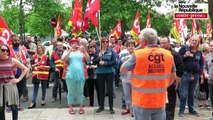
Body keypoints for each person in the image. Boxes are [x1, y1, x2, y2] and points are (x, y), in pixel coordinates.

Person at [120, 28, 176, 120]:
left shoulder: (138, 54)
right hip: (160, 100)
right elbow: (173, 76)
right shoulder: (168, 55)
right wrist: (163, 86)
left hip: (142, 100)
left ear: (144, 41)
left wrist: (136, 49)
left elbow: (123, 69)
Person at [62, 38, 90, 114]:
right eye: (72, 43)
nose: (74, 44)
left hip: (81, 74)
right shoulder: (67, 51)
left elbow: (88, 59)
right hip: (70, 75)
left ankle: (81, 107)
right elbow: (63, 59)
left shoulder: (81, 52)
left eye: (76, 43)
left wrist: (85, 51)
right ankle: (70, 107)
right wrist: (70, 50)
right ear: (70, 44)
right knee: (70, 91)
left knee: (80, 91)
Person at [0, 44, 28, 120]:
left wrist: (18, 79)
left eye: (7, 50)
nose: (5, 52)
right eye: (3, 50)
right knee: (1, 108)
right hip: (0, 86)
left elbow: (25, 68)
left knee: (14, 107)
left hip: (11, 85)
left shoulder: (12, 60)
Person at [160, 36, 184, 120]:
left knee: (169, 107)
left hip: (171, 84)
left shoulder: (175, 54)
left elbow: (180, 71)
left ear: (169, 43)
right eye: (161, 43)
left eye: (164, 43)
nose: (162, 45)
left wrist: (176, 84)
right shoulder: (158, 53)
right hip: (160, 85)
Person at [178, 35, 203, 117]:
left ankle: (191, 109)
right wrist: (185, 56)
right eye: (193, 40)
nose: (194, 42)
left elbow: (201, 64)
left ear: (198, 43)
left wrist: (201, 74)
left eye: (196, 41)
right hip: (185, 74)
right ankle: (181, 111)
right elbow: (177, 59)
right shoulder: (184, 49)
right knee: (184, 94)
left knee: (191, 94)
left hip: (195, 75)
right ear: (190, 40)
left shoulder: (199, 52)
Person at [93, 37, 117, 114]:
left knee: (110, 90)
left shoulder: (111, 51)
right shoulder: (97, 51)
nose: (105, 43)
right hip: (100, 73)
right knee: (101, 90)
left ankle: (111, 107)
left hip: (109, 72)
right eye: (103, 42)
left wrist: (105, 63)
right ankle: (101, 106)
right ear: (101, 43)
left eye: (106, 41)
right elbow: (94, 62)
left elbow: (114, 62)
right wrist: (98, 57)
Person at [10, 34, 30, 110]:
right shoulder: (8, 49)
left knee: (21, 89)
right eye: (15, 40)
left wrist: (28, 60)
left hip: (22, 72)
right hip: (12, 73)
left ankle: (16, 104)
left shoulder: (23, 48)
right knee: (12, 90)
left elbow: (27, 58)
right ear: (12, 41)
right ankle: (11, 105)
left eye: (18, 40)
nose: (17, 42)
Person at [28, 44, 50, 109]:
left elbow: (49, 66)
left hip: (43, 74)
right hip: (36, 75)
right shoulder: (34, 56)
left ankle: (43, 100)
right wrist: (36, 64)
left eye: (41, 48)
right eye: (38, 48)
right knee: (35, 89)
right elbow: (31, 66)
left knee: (44, 88)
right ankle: (33, 102)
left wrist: (43, 66)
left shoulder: (46, 57)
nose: (39, 49)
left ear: (43, 49)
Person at [118, 39, 135, 116]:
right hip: (125, 78)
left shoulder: (137, 55)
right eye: (129, 46)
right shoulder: (123, 55)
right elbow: (119, 64)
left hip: (134, 78)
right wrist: (125, 60)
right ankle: (127, 108)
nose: (131, 47)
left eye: (132, 46)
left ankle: (134, 111)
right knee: (126, 94)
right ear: (126, 47)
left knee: (134, 95)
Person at [87, 43, 100, 107]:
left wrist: (95, 66)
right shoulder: (87, 55)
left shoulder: (98, 55)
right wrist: (87, 66)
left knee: (99, 90)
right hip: (90, 75)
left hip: (97, 75)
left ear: (95, 48)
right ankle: (91, 104)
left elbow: (100, 63)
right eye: (90, 47)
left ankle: (100, 104)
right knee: (90, 90)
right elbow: (85, 63)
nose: (92, 48)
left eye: (93, 47)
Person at [198, 43, 210, 109]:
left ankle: (206, 102)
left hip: (208, 74)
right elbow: (201, 66)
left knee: (207, 88)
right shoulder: (201, 55)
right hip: (202, 73)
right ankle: (200, 102)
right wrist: (201, 76)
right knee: (201, 88)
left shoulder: (209, 55)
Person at [203, 40, 213, 117]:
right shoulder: (207, 57)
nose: (211, 47)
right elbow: (204, 68)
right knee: (212, 99)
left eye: (212, 45)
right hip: (211, 81)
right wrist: (205, 74)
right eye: (210, 45)